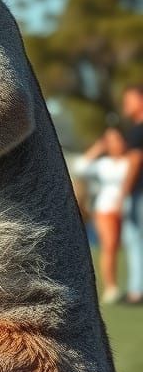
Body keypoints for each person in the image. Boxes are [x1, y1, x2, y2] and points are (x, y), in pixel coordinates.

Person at [77, 128, 132, 303]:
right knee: (109, 245)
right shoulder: (104, 164)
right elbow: (80, 167)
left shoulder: (130, 161)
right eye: (110, 141)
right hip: (106, 208)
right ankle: (111, 286)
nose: (115, 144)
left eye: (117, 139)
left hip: (128, 209)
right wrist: (98, 149)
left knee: (127, 247)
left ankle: (133, 287)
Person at [121, 84, 143, 304]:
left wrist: (124, 191)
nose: (125, 105)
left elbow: (136, 161)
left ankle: (137, 291)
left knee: (135, 241)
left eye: (129, 99)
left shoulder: (139, 130)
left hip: (139, 194)